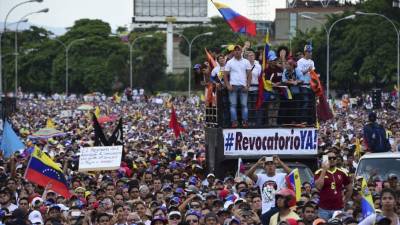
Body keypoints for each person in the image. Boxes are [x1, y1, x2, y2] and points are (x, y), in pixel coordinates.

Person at [246, 156, 292, 225]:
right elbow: (249, 174)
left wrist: (280, 162)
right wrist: (257, 164)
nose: (270, 165)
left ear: (275, 166)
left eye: (272, 163)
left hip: (278, 209)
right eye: (267, 164)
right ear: (264, 167)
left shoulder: (282, 176)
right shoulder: (260, 177)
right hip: (265, 211)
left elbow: (292, 173)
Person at [314, 151, 352, 221]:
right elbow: (318, 186)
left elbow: (349, 188)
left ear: (336, 160)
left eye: (334, 158)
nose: (332, 159)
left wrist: (345, 201)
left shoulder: (342, 172)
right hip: (324, 209)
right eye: (329, 158)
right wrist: (324, 170)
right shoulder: (319, 172)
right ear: (325, 159)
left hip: (338, 208)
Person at [224, 45, 252, 128]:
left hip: (243, 86)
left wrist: (248, 86)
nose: (236, 51)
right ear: (233, 52)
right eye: (235, 50)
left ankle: (245, 121)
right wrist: (228, 85)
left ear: (241, 51)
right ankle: (234, 122)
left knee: (244, 105)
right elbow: (225, 75)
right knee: (233, 105)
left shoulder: (246, 61)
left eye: (238, 50)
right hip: (233, 86)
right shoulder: (229, 62)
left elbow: (249, 74)